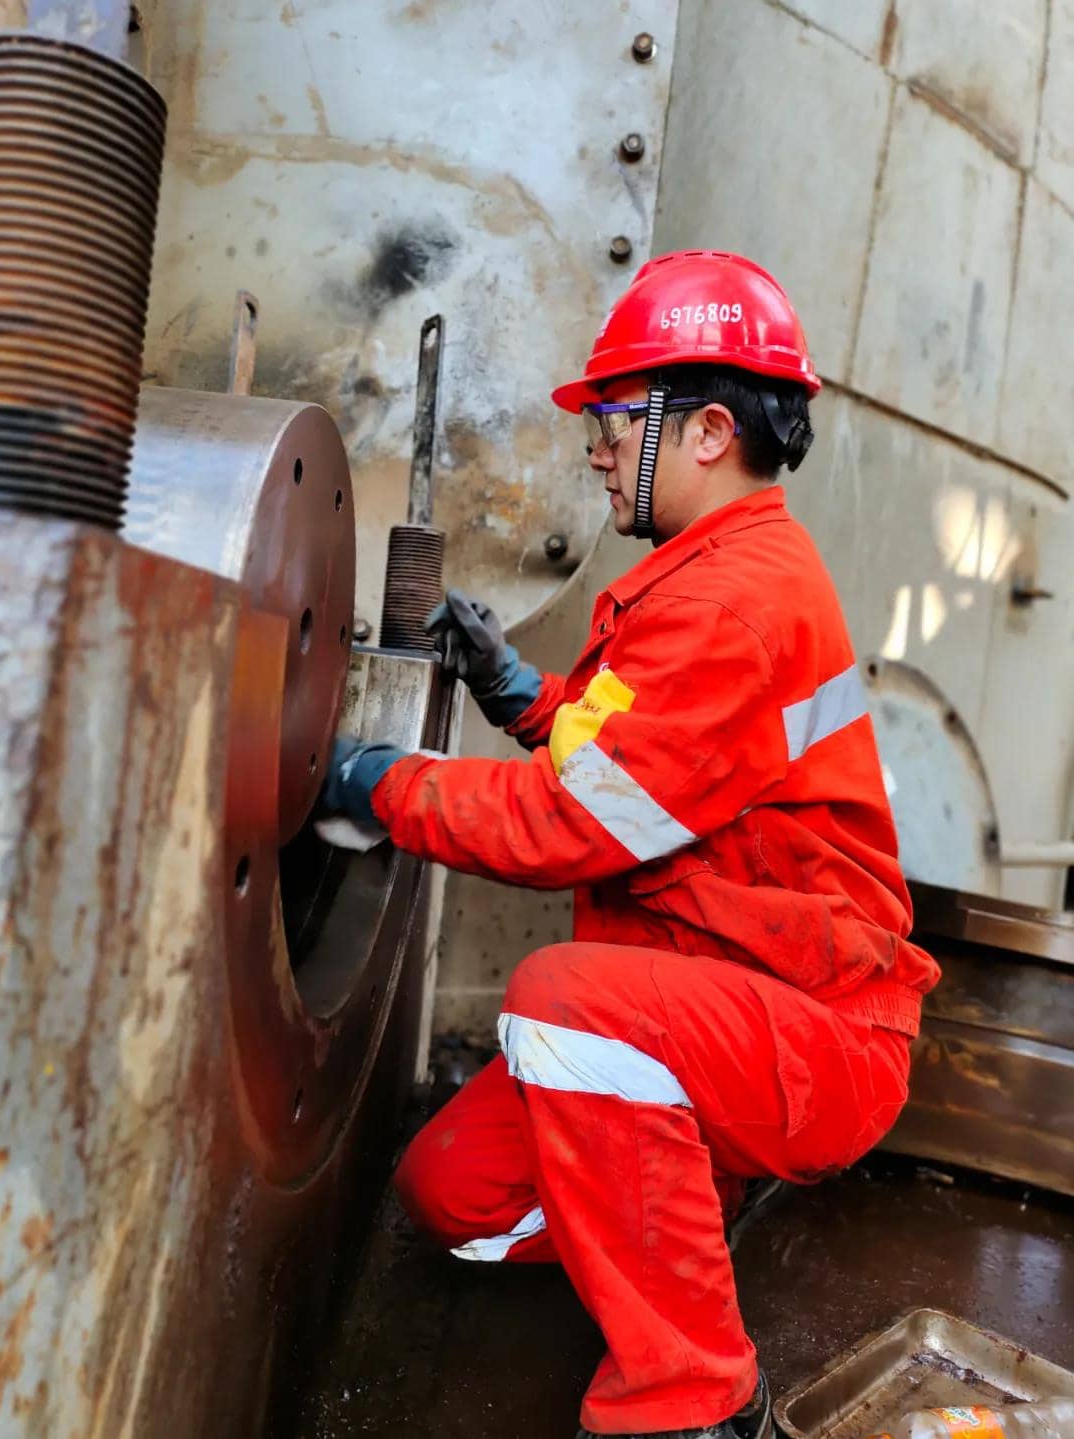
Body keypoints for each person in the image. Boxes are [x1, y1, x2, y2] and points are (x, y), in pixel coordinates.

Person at [321, 250, 940, 1439]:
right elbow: (654, 764)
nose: (597, 450)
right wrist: (521, 696)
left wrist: (375, 780)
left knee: (561, 997)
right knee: (451, 1192)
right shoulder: (710, 575)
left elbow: (576, 822)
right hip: (718, 1001)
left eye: (613, 420)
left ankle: (695, 1396)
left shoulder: (732, 601)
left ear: (707, 431)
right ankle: (681, 1190)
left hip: (810, 1031)